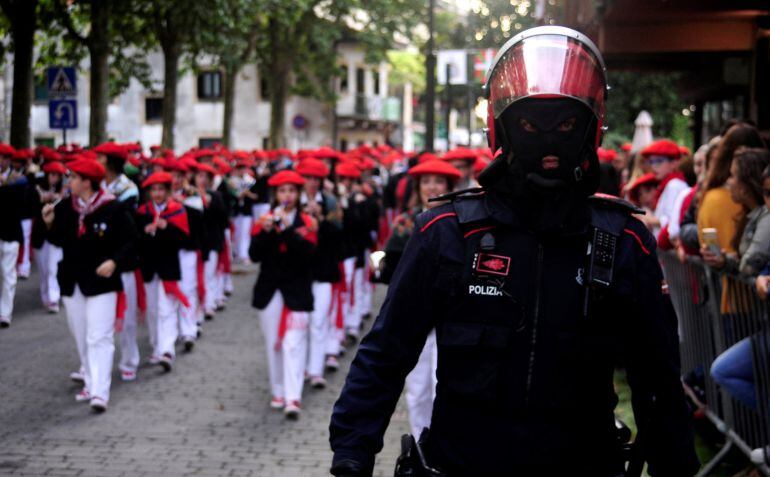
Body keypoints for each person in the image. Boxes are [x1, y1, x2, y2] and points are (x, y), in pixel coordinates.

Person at [330, 26, 699, 476]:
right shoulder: (447, 233)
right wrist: (352, 451)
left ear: (589, 129)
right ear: (502, 127)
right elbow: (387, 351)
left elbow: (656, 377)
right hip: (462, 465)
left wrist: (675, 465)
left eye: (564, 125)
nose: (548, 144)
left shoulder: (623, 241)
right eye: (529, 125)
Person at [42, 157, 137, 412]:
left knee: (100, 336)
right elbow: (59, 240)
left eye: (73, 178)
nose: (69, 182)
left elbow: (131, 242)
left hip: (102, 281)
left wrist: (114, 262)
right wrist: (49, 222)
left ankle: (100, 392)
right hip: (73, 281)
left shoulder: (113, 208)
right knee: (81, 334)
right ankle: (91, 380)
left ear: (87, 182)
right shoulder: (65, 208)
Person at [381, 159, 461, 440]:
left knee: (447, 383)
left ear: (449, 187)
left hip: (451, 316)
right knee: (416, 389)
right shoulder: (406, 221)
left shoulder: (462, 219)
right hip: (414, 314)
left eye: (438, 182)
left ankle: (442, 441)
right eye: (426, 181)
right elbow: (391, 268)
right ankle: (419, 445)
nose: (432, 187)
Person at [249, 170, 317, 419]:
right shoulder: (264, 219)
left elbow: (309, 256)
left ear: (298, 194)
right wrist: (266, 231)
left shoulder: (307, 222)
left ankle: (293, 396)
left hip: (297, 291)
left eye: (291, 191)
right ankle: (278, 390)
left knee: (294, 344)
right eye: (282, 191)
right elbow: (254, 255)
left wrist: (287, 230)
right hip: (270, 291)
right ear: (275, 195)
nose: (286, 195)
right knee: (273, 344)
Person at [96, 142, 142, 381]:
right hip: (98, 260)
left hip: (122, 261)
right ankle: (91, 365)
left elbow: (128, 230)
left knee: (127, 316)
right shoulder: (94, 186)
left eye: (100, 158)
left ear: (110, 162)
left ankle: (129, 360)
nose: (97, 162)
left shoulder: (128, 189)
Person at [135, 171, 191, 372]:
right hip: (149, 268)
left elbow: (185, 240)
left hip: (168, 267)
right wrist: (145, 231)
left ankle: (167, 350)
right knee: (152, 309)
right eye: (154, 189)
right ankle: (156, 346)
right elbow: (136, 240)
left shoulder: (178, 211)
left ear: (168, 191)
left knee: (167, 309)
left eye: (161, 189)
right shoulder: (142, 212)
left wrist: (167, 227)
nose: (157, 193)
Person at [296, 157, 344, 389]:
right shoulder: (292, 201)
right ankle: (300, 367)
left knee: (319, 320)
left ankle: (315, 369)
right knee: (301, 323)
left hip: (324, 269)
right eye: (307, 178)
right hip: (299, 271)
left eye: (316, 179)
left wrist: (322, 220)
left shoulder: (330, 201)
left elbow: (339, 232)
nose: (312, 183)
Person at [697, 123, 766, 257]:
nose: (730, 181)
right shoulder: (719, 198)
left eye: (734, 176)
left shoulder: (760, 215)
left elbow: (748, 264)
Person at [703, 148, 770, 275]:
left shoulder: (766, 217)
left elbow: (749, 267)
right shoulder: (751, 215)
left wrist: (731, 262)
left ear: (745, 186)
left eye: (732, 175)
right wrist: (723, 261)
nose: (728, 181)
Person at [32, 160, 66, 313]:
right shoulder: (37, 188)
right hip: (40, 235)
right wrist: (42, 201)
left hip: (56, 235)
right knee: (43, 269)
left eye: (58, 176)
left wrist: (58, 198)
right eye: (52, 175)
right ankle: (46, 296)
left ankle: (53, 298)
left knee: (53, 268)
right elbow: (30, 208)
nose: (55, 178)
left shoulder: (64, 191)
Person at [0, 143, 26, 328]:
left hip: (10, 233)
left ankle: (4, 313)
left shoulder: (19, 180)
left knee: (8, 274)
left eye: (3, 157)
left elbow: (20, 206)